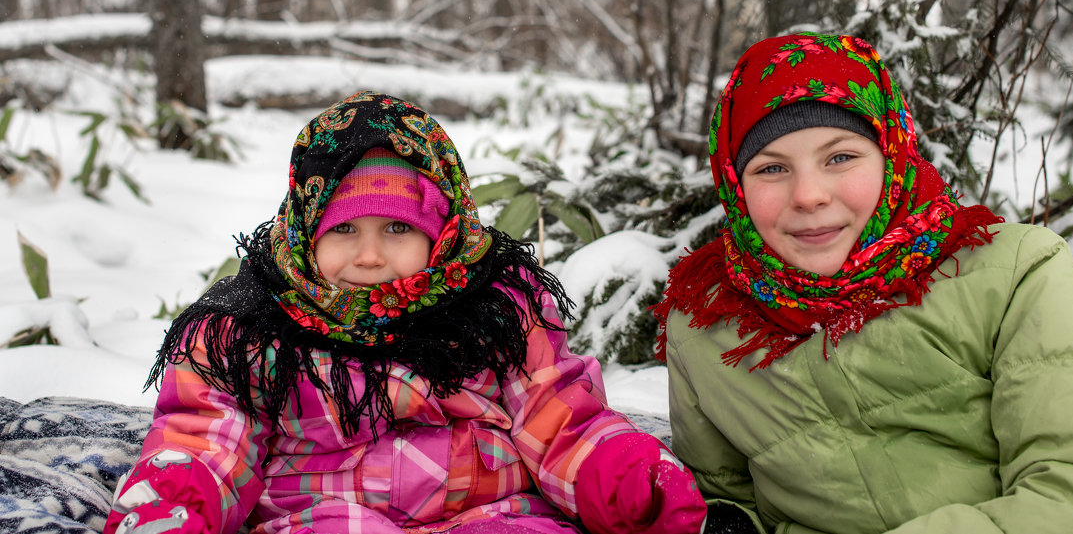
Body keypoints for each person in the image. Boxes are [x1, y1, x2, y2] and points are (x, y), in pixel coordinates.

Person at [106, 91, 706, 534]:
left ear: (442, 231)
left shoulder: (493, 307)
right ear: (305, 227)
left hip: (489, 513)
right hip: (325, 518)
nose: (369, 256)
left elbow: (557, 415)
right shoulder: (250, 327)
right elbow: (208, 438)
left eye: (397, 227)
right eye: (343, 229)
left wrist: (624, 479)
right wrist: (172, 503)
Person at [654, 33, 1073, 534]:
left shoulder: (1015, 274)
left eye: (840, 157)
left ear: (891, 155)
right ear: (735, 187)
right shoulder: (706, 323)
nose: (809, 195)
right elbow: (724, 499)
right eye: (772, 169)